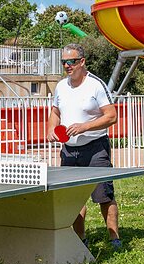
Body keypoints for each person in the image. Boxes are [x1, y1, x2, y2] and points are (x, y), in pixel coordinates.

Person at [49, 43, 122, 249]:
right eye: (64, 62)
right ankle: (80, 241)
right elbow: (55, 112)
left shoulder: (96, 85)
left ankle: (114, 239)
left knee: (104, 196)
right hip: (69, 151)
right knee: (73, 199)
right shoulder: (61, 86)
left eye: (71, 61)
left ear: (82, 62)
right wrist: (51, 128)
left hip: (95, 148)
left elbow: (112, 116)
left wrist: (84, 127)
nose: (67, 66)